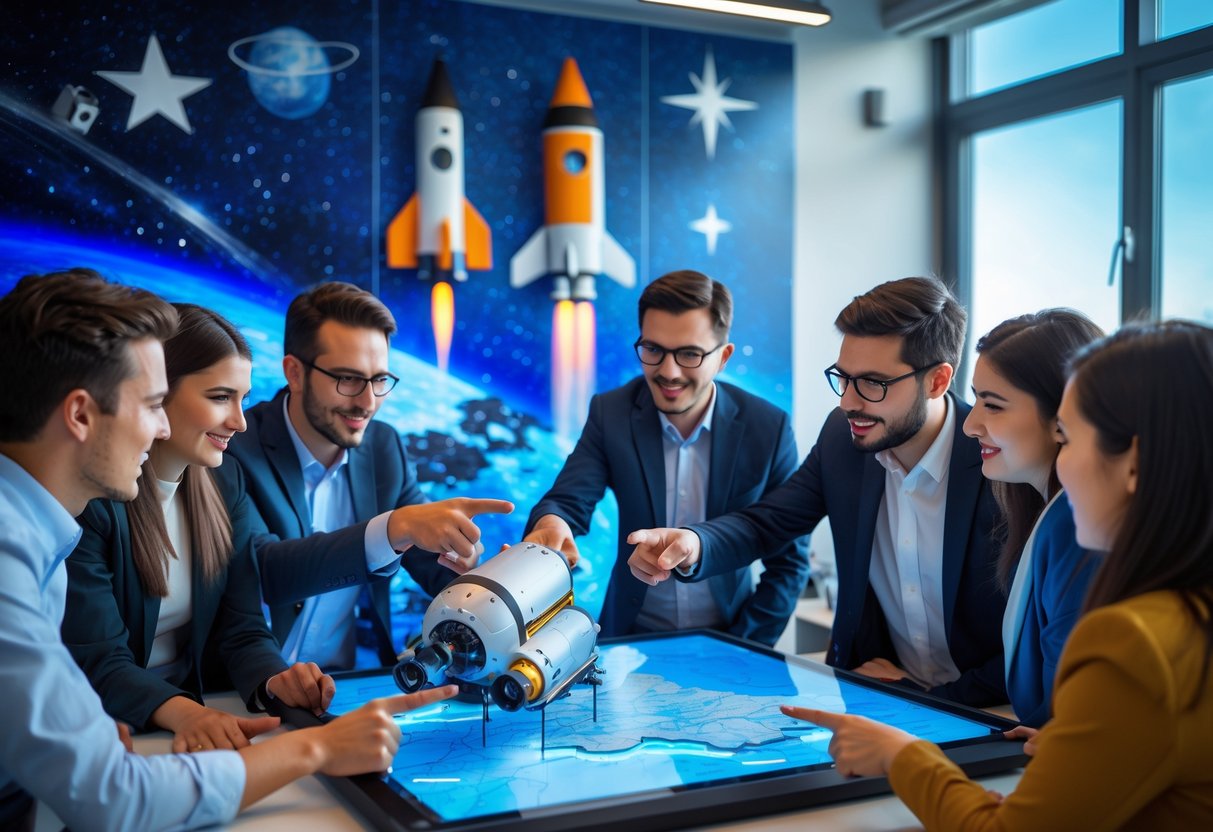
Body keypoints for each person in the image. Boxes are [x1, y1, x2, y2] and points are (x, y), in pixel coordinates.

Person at [0, 269, 455, 832]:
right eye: (152, 404)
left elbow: (237, 624)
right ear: (79, 415)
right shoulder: (24, 546)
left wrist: (270, 681)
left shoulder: (48, 530)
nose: (159, 428)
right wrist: (316, 748)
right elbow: (110, 794)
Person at [783, 320, 1213, 829]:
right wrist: (1079, 742)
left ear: (1134, 464)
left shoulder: (1134, 642)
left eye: (1069, 437)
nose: (971, 426)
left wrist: (900, 755)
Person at [628, 276, 1005, 705]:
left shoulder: (997, 462)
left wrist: (931, 697)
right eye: (843, 378)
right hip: (878, 699)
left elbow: (1032, 643)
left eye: (873, 383)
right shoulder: (842, 438)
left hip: (992, 709)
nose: (847, 402)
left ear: (937, 381)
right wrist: (693, 542)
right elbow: (768, 523)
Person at [61, 304, 333, 752]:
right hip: (110, 729)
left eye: (243, 399)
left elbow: (242, 627)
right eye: (220, 397)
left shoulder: (226, 483)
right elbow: (97, 659)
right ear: (157, 393)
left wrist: (275, 679)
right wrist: (188, 714)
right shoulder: (91, 499)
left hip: (191, 717)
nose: (239, 421)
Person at [212, 281, 512, 670]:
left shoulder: (383, 447)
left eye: (380, 380)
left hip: (345, 684)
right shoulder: (233, 448)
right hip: (239, 689)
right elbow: (265, 572)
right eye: (348, 379)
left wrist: (473, 567)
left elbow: (432, 561)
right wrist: (394, 528)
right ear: (295, 373)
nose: (368, 402)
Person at [522, 270, 808, 646]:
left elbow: (789, 562)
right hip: (630, 640)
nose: (668, 372)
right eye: (653, 349)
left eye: (689, 354)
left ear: (723, 357)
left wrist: (744, 647)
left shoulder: (768, 427)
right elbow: (568, 499)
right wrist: (553, 522)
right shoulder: (612, 412)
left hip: (730, 639)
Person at [962, 309, 1103, 726]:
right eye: (975, 399)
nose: (971, 424)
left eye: (993, 405)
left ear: (1065, 415)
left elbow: (1072, 713)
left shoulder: (1076, 525)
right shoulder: (1050, 514)